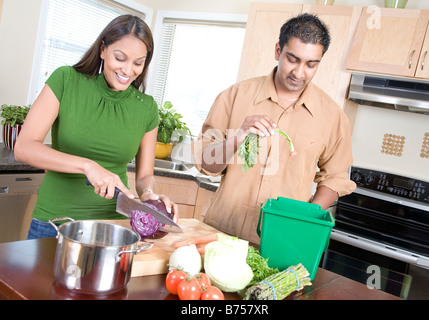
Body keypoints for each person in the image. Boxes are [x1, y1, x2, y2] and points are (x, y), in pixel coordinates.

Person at [192, 14, 356, 244]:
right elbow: (206, 163)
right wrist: (237, 139)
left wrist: (303, 219)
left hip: (283, 241)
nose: (299, 73)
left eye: (311, 64)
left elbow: (336, 177)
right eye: (292, 59)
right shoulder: (234, 96)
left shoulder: (333, 117)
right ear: (278, 51)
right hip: (222, 233)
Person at [14, 15, 178, 239]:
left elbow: (144, 176)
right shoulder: (66, 80)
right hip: (54, 224)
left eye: (138, 63)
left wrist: (149, 195)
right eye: (120, 58)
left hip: (113, 229)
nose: (128, 71)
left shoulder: (146, 108)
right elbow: (24, 147)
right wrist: (87, 166)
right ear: (103, 49)